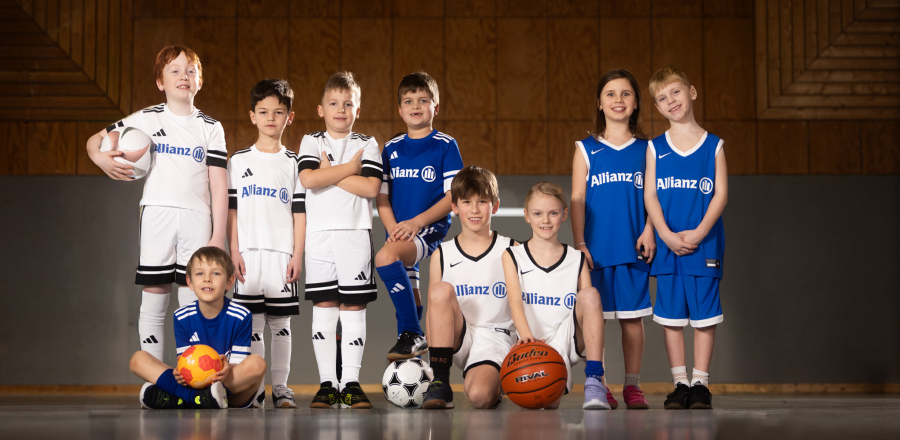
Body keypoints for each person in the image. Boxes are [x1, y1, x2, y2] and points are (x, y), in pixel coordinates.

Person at [85, 46, 229, 362]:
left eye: (190, 70)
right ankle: (156, 381)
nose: (183, 76)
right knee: (154, 299)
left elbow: (220, 185)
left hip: (198, 219)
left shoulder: (211, 128)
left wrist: (219, 236)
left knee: (194, 302)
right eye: (174, 70)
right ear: (160, 82)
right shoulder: (145, 120)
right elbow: (94, 140)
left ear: (200, 81)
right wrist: (100, 159)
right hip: (157, 216)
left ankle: (195, 377)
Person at [570, 69, 655, 410]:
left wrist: (650, 229)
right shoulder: (586, 148)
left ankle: (632, 386)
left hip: (634, 246)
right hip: (596, 250)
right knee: (597, 320)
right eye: (610, 94)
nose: (618, 100)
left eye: (625, 94)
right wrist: (580, 244)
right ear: (600, 103)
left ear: (635, 104)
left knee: (632, 320)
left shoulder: (649, 150)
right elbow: (576, 199)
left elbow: (655, 197)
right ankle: (599, 383)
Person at [644, 66, 728, 410]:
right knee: (672, 317)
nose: (670, 101)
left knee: (704, 316)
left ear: (691, 92)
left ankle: (701, 384)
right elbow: (650, 196)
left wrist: (698, 232)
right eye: (662, 99)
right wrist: (664, 234)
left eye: (675, 92)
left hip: (703, 243)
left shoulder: (714, 145)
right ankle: (680, 383)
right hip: (668, 246)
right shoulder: (654, 148)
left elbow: (721, 194)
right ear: (658, 108)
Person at [297, 72, 383, 409]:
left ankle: (350, 383)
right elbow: (307, 179)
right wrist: (350, 169)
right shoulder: (310, 140)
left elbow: (371, 188)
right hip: (319, 238)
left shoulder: (368, 143)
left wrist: (331, 171)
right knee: (324, 309)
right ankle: (327, 385)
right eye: (333, 103)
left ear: (357, 110)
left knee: (352, 308)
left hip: (355, 236)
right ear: (321, 109)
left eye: (348, 104)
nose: (341, 109)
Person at [227, 79, 305, 408]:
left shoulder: (296, 163)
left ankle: (282, 387)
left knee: (281, 324)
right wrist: (233, 252)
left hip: (281, 254)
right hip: (247, 254)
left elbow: (300, 214)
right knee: (253, 324)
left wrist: (297, 255)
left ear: (290, 117)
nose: (271, 118)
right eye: (263, 112)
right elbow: (231, 211)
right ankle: (256, 389)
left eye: (278, 112)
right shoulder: (239, 160)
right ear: (252, 116)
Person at [375, 72, 464, 360]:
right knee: (409, 291)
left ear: (435, 107)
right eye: (409, 101)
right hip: (400, 231)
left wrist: (416, 223)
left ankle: (412, 332)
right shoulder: (391, 148)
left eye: (423, 100)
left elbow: (453, 196)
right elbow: (382, 196)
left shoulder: (445, 145)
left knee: (385, 258)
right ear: (400, 109)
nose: (416, 106)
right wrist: (393, 229)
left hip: (429, 228)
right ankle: (413, 344)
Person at [502, 182, 611, 410]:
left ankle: (594, 381)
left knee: (590, 295)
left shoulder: (577, 258)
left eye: (553, 213)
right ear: (527, 216)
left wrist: (603, 378)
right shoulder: (513, 255)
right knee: (545, 404)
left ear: (564, 214)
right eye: (538, 213)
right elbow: (515, 304)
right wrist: (528, 343)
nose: (546, 220)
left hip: (566, 339)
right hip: (530, 340)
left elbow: (592, 319)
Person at [422, 166, 517, 409]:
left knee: (479, 397)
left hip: (495, 337)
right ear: (454, 207)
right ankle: (440, 382)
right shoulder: (442, 253)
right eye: (466, 202)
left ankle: (497, 379)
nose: (474, 209)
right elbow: (435, 312)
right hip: (458, 337)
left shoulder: (512, 249)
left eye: (482, 201)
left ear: (494, 206)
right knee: (439, 291)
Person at [129, 247, 267, 409]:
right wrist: (178, 373)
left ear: (229, 282)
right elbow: (185, 363)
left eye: (215, 273)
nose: (207, 279)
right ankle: (197, 398)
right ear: (190, 282)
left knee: (258, 364)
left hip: (226, 388)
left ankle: (182, 398)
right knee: (138, 359)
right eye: (200, 273)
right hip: (194, 383)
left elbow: (239, 363)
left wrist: (227, 368)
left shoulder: (241, 316)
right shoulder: (182, 316)